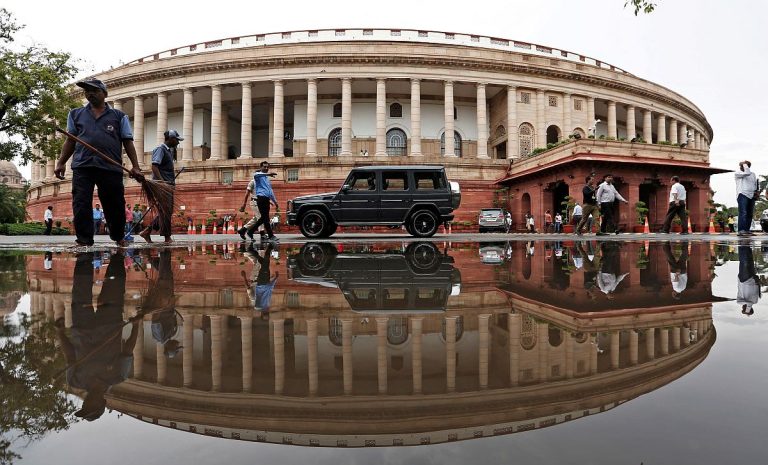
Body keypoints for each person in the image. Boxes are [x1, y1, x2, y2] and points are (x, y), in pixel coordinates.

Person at [54, 79, 144, 247]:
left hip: (110, 167)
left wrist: (136, 166)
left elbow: (128, 142)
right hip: (83, 165)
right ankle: (84, 240)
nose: (90, 93)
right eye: (87, 91)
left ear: (104, 93)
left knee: (115, 204)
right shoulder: (75, 114)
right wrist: (61, 163)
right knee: (80, 202)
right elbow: (70, 141)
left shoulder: (119, 116)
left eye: (94, 90)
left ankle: (118, 237)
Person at [54, 251, 139, 422]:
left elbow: (70, 355)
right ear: (102, 402)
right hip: (110, 324)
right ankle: (118, 256)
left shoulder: (75, 380)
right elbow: (128, 350)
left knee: (80, 289)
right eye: (91, 406)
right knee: (114, 289)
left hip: (81, 327)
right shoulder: (118, 376)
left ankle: (84, 258)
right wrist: (136, 324)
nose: (87, 403)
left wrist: (60, 332)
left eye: (85, 406)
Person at [140, 130, 182, 244]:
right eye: (177, 140)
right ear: (171, 139)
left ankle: (147, 231)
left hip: (167, 186)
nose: (178, 142)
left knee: (166, 211)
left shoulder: (168, 151)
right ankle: (167, 237)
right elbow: (154, 166)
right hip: (162, 186)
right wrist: (162, 183)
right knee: (166, 211)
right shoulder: (160, 149)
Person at [146, 250, 182, 359]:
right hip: (168, 299)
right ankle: (160, 256)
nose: (177, 344)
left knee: (165, 274)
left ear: (170, 347)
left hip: (163, 298)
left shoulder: (160, 337)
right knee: (166, 273)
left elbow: (155, 319)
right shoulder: (170, 335)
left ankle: (164, 251)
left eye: (176, 346)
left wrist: (161, 300)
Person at [248, 161, 280, 243]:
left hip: (266, 199)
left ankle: (250, 231)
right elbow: (256, 175)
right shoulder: (258, 176)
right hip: (261, 198)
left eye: (267, 167)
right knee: (265, 218)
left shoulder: (266, 179)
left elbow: (270, 191)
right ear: (261, 167)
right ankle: (271, 235)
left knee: (263, 218)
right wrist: (268, 174)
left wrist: (275, 202)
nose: (266, 168)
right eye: (264, 167)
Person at [735, 160, 759, 237]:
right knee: (743, 212)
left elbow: (755, 184)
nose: (742, 167)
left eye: (745, 165)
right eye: (742, 166)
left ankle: (747, 230)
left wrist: (756, 192)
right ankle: (741, 230)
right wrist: (745, 165)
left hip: (751, 195)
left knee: (749, 214)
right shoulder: (738, 173)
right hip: (742, 194)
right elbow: (747, 172)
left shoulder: (753, 174)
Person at [737, 244, 760, 315]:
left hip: (744, 279)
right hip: (750, 279)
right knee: (748, 261)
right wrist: (747, 311)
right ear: (749, 308)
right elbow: (757, 289)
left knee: (744, 261)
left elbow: (747, 303)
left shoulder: (740, 301)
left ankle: (743, 244)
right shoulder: (754, 301)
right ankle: (745, 245)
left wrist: (747, 311)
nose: (742, 307)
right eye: (743, 309)